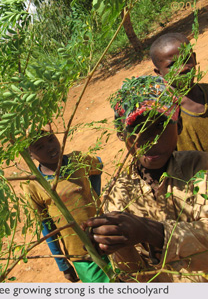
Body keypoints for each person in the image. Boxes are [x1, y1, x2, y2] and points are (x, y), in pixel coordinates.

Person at [83, 75, 208, 282]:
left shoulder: (201, 168)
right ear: (122, 136)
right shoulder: (117, 194)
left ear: (178, 127)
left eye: (160, 124)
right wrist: (109, 245)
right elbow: (133, 274)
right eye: (137, 127)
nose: (150, 138)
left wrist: (152, 232)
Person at [21, 125, 110, 283]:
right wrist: (62, 264)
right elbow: (47, 227)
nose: (50, 147)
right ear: (30, 154)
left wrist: (94, 194)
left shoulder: (77, 159)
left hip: (108, 237)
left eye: (51, 139)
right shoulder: (34, 185)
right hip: (81, 254)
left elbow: (98, 165)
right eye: (40, 147)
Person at [150, 32, 208, 152]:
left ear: (195, 58)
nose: (183, 68)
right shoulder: (164, 113)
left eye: (186, 59)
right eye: (172, 65)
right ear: (159, 72)